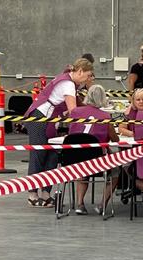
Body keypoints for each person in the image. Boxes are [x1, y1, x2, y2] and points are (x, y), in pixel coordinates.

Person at [23, 58, 94, 207]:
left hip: (50, 120)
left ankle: (46, 193)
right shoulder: (68, 84)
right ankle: (32, 194)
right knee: (38, 154)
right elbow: (74, 110)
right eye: (87, 75)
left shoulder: (70, 82)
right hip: (39, 117)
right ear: (80, 71)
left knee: (53, 155)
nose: (88, 79)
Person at [67, 85, 119, 215]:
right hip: (97, 161)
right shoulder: (105, 116)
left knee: (83, 169)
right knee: (117, 172)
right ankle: (102, 205)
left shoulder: (75, 112)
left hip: (74, 159)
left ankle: (79, 204)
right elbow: (114, 139)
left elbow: (71, 132)